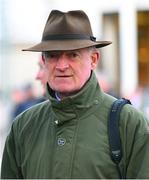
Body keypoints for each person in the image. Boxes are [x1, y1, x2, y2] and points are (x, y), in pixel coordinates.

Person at [1, 10, 149, 179]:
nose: (62, 65)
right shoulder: (23, 127)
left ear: (93, 60)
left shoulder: (130, 124)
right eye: (53, 55)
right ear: (44, 61)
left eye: (73, 55)